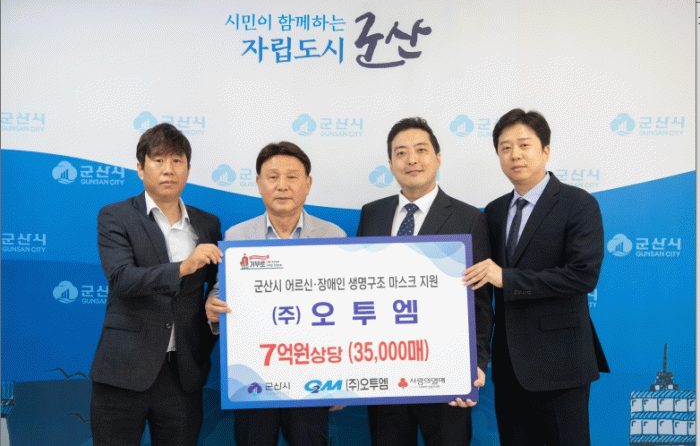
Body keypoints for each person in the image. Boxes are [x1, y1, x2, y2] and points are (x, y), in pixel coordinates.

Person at [463, 109, 609, 445]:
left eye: (524, 145)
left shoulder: (578, 203)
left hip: (561, 364)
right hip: (509, 367)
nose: (514, 154)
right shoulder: (494, 211)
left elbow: (583, 276)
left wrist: (509, 279)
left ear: (545, 150)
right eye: (505, 147)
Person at [356, 117, 493, 446]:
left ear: (438, 158)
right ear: (391, 164)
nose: (412, 160)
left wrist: (475, 364)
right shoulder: (372, 214)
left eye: (421, 150)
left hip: (445, 369)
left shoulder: (469, 218)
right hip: (385, 370)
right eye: (401, 153)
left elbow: (480, 302)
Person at [206, 141, 345, 446]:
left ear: (308, 184)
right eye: (272, 177)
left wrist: (341, 380)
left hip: (313, 380)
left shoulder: (333, 236)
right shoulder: (236, 236)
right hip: (253, 379)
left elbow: (345, 312)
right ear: (259, 184)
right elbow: (220, 291)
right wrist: (212, 305)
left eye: (292, 177)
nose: (282, 186)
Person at [90, 123, 222, 446]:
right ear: (140, 168)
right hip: (123, 372)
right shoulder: (115, 216)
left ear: (188, 168)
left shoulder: (207, 223)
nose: (168, 169)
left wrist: (214, 303)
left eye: (177, 161)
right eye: (158, 160)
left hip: (183, 373)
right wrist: (183, 267)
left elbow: (219, 284)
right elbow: (122, 279)